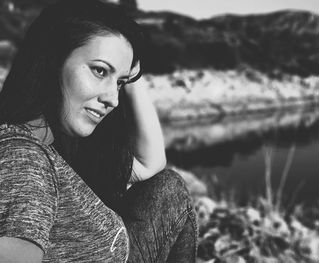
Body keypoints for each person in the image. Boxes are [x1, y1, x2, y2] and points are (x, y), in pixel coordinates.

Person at [0, 0, 198, 262]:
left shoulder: (58, 141)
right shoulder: (24, 159)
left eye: (119, 83)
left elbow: (150, 164)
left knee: (167, 187)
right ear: (51, 60)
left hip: (121, 248)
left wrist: (131, 74)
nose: (113, 100)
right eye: (99, 71)